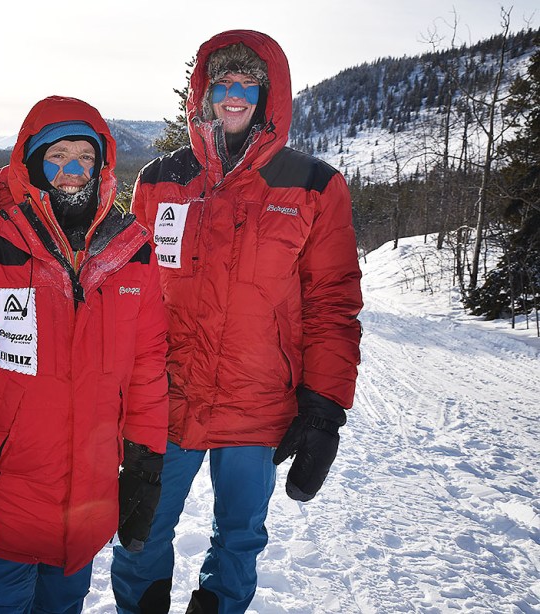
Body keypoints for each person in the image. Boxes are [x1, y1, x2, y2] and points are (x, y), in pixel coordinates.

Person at [110, 30, 363, 613]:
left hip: (257, 403)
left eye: (247, 83)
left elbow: (332, 302)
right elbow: (128, 291)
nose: (233, 94)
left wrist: (325, 406)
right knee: (139, 527)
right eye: (222, 81)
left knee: (240, 539)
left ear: (267, 94)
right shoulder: (158, 181)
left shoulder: (314, 186)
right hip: (165, 400)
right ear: (204, 92)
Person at [0, 95, 170, 614]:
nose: (71, 171)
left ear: (102, 166)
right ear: (30, 165)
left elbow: (147, 370)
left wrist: (144, 465)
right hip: (4, 505)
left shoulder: (133, 257)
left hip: (87, 508)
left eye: (84, 157)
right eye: (56, 157)